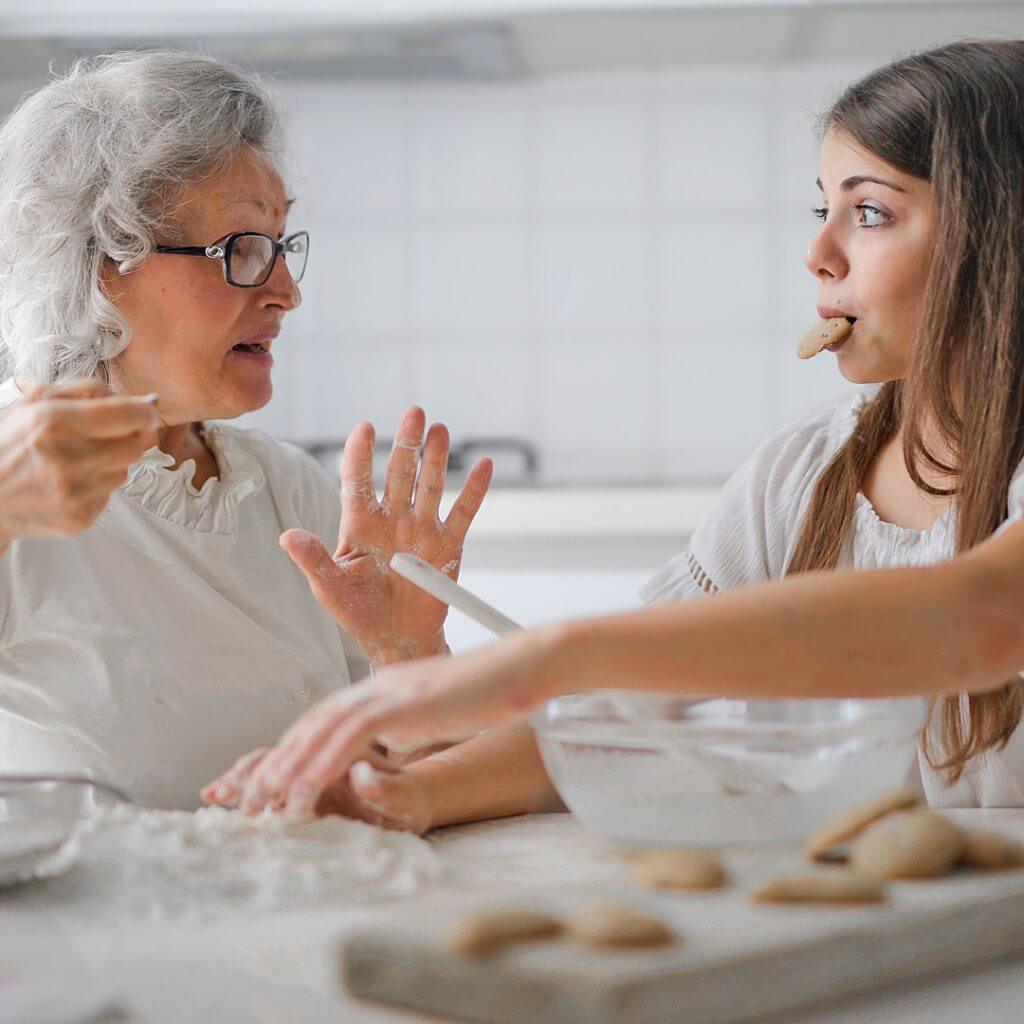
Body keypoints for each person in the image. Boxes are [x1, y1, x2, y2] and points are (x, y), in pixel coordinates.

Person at [215, 39, 1024, 825]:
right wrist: (410, 798)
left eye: (871, 212)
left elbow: (982, 613)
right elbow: (614, 720)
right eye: (824, 209)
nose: (817, 252)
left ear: (999, 237)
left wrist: (556, 653)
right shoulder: (801, 473)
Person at [0, 50, 491, 808]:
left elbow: (406, 790)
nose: (286, 292)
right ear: (98, 262)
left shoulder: (288, 489)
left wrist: (408, 654)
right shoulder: (12, 481)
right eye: (241, 248)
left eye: (282, 243)